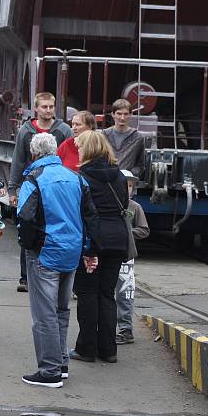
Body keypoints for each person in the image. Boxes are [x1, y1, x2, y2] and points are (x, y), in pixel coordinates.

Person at [17, 133, 100, 388]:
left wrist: (31, 246)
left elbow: (26, 217)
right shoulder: (76, 178)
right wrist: (89, 249)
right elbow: (90, 217)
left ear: (34, 154)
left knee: (44, 314)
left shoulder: (34, 179)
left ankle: (50, 370)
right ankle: (61, 362)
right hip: (71, 251)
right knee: (61, 309)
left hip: (45, 252)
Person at [69, 130, 129, 364]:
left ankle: (86, 348)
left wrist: (88, 248)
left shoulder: (81, 177)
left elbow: (82, 212)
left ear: (89, 149)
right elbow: (124, 204)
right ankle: (108, 349)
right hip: (117, 239)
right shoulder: (119, 176)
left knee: (87, 293)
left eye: (81, 147)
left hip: (93, 240)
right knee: (107, 294)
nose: (79, 151)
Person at [8, 92, 73, 293]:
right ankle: (25, 277)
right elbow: (18, 160)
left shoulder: (63, 130)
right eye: (44, 107)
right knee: (27, 226)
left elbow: (69, 157)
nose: (48, 110)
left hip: (56, 186)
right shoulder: (26, 131)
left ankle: (58, 272)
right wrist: (13, 189)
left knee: (55, 226)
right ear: (36, 109)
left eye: (51, 107)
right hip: (31, 185)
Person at [115, 170, 149, 345]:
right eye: (124, 184)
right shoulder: (110, 203)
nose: (127, 189)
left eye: (130, 186)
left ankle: (126, 329)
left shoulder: (135, 207)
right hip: (110, 255)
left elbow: (144, 229)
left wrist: (127, 233)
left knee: (125, 293)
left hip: (126, 257)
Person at [103, 99, 145, 178]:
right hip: (107, 180)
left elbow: (140, 164)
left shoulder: (137, 137)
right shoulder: (103, 135)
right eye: (119, 114)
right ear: (113, 114)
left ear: (131, 114)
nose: (122, 118)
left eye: (126, 114)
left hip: (127, 181)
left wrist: (130, 174)